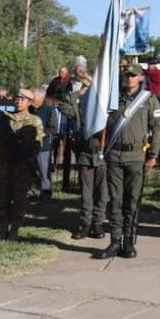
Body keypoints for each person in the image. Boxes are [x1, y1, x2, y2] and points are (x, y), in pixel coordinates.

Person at [100, 64, 160, 259]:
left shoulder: (148, 100)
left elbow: (158, 129)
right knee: (115, 200)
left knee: (132, 201)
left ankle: (128, 241)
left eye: (133, 75)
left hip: (137, 157)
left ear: (140, 78)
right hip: (114, 156)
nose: (129, 78)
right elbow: (101, 125)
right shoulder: (112, 99)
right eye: (126, 75)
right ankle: (114, 241)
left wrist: (152, 156)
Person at [0, 88, 45, 240]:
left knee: (19, 199)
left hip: (21, 166)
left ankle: (14, 230)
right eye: (16, 99)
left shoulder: (34, 121)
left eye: (22, 99)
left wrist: (27, 156)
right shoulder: (5, 117)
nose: (18, 102)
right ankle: (2, 229)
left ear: (29, 103)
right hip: (4, 164)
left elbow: (38, 145)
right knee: (2, 198)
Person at [58, 65, 106, 240]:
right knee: (86, 193)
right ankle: (85, 224)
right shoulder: (79, 107)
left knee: (102, 193)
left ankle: (98, 224)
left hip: (103, 152)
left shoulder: (104, 103)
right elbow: (63, 105)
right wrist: (81, 93)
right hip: (85, 152)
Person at [32, 87, 60, 202]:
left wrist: (40, 132)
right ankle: (30, 193)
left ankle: (46, 194)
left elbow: (53, 128)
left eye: (33, 96)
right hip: (30, 145)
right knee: (30, 170)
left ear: (40, 97)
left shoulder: (49, 110)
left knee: (44, 172)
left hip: (43, 146)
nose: (31, 98)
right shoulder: (29, 109)